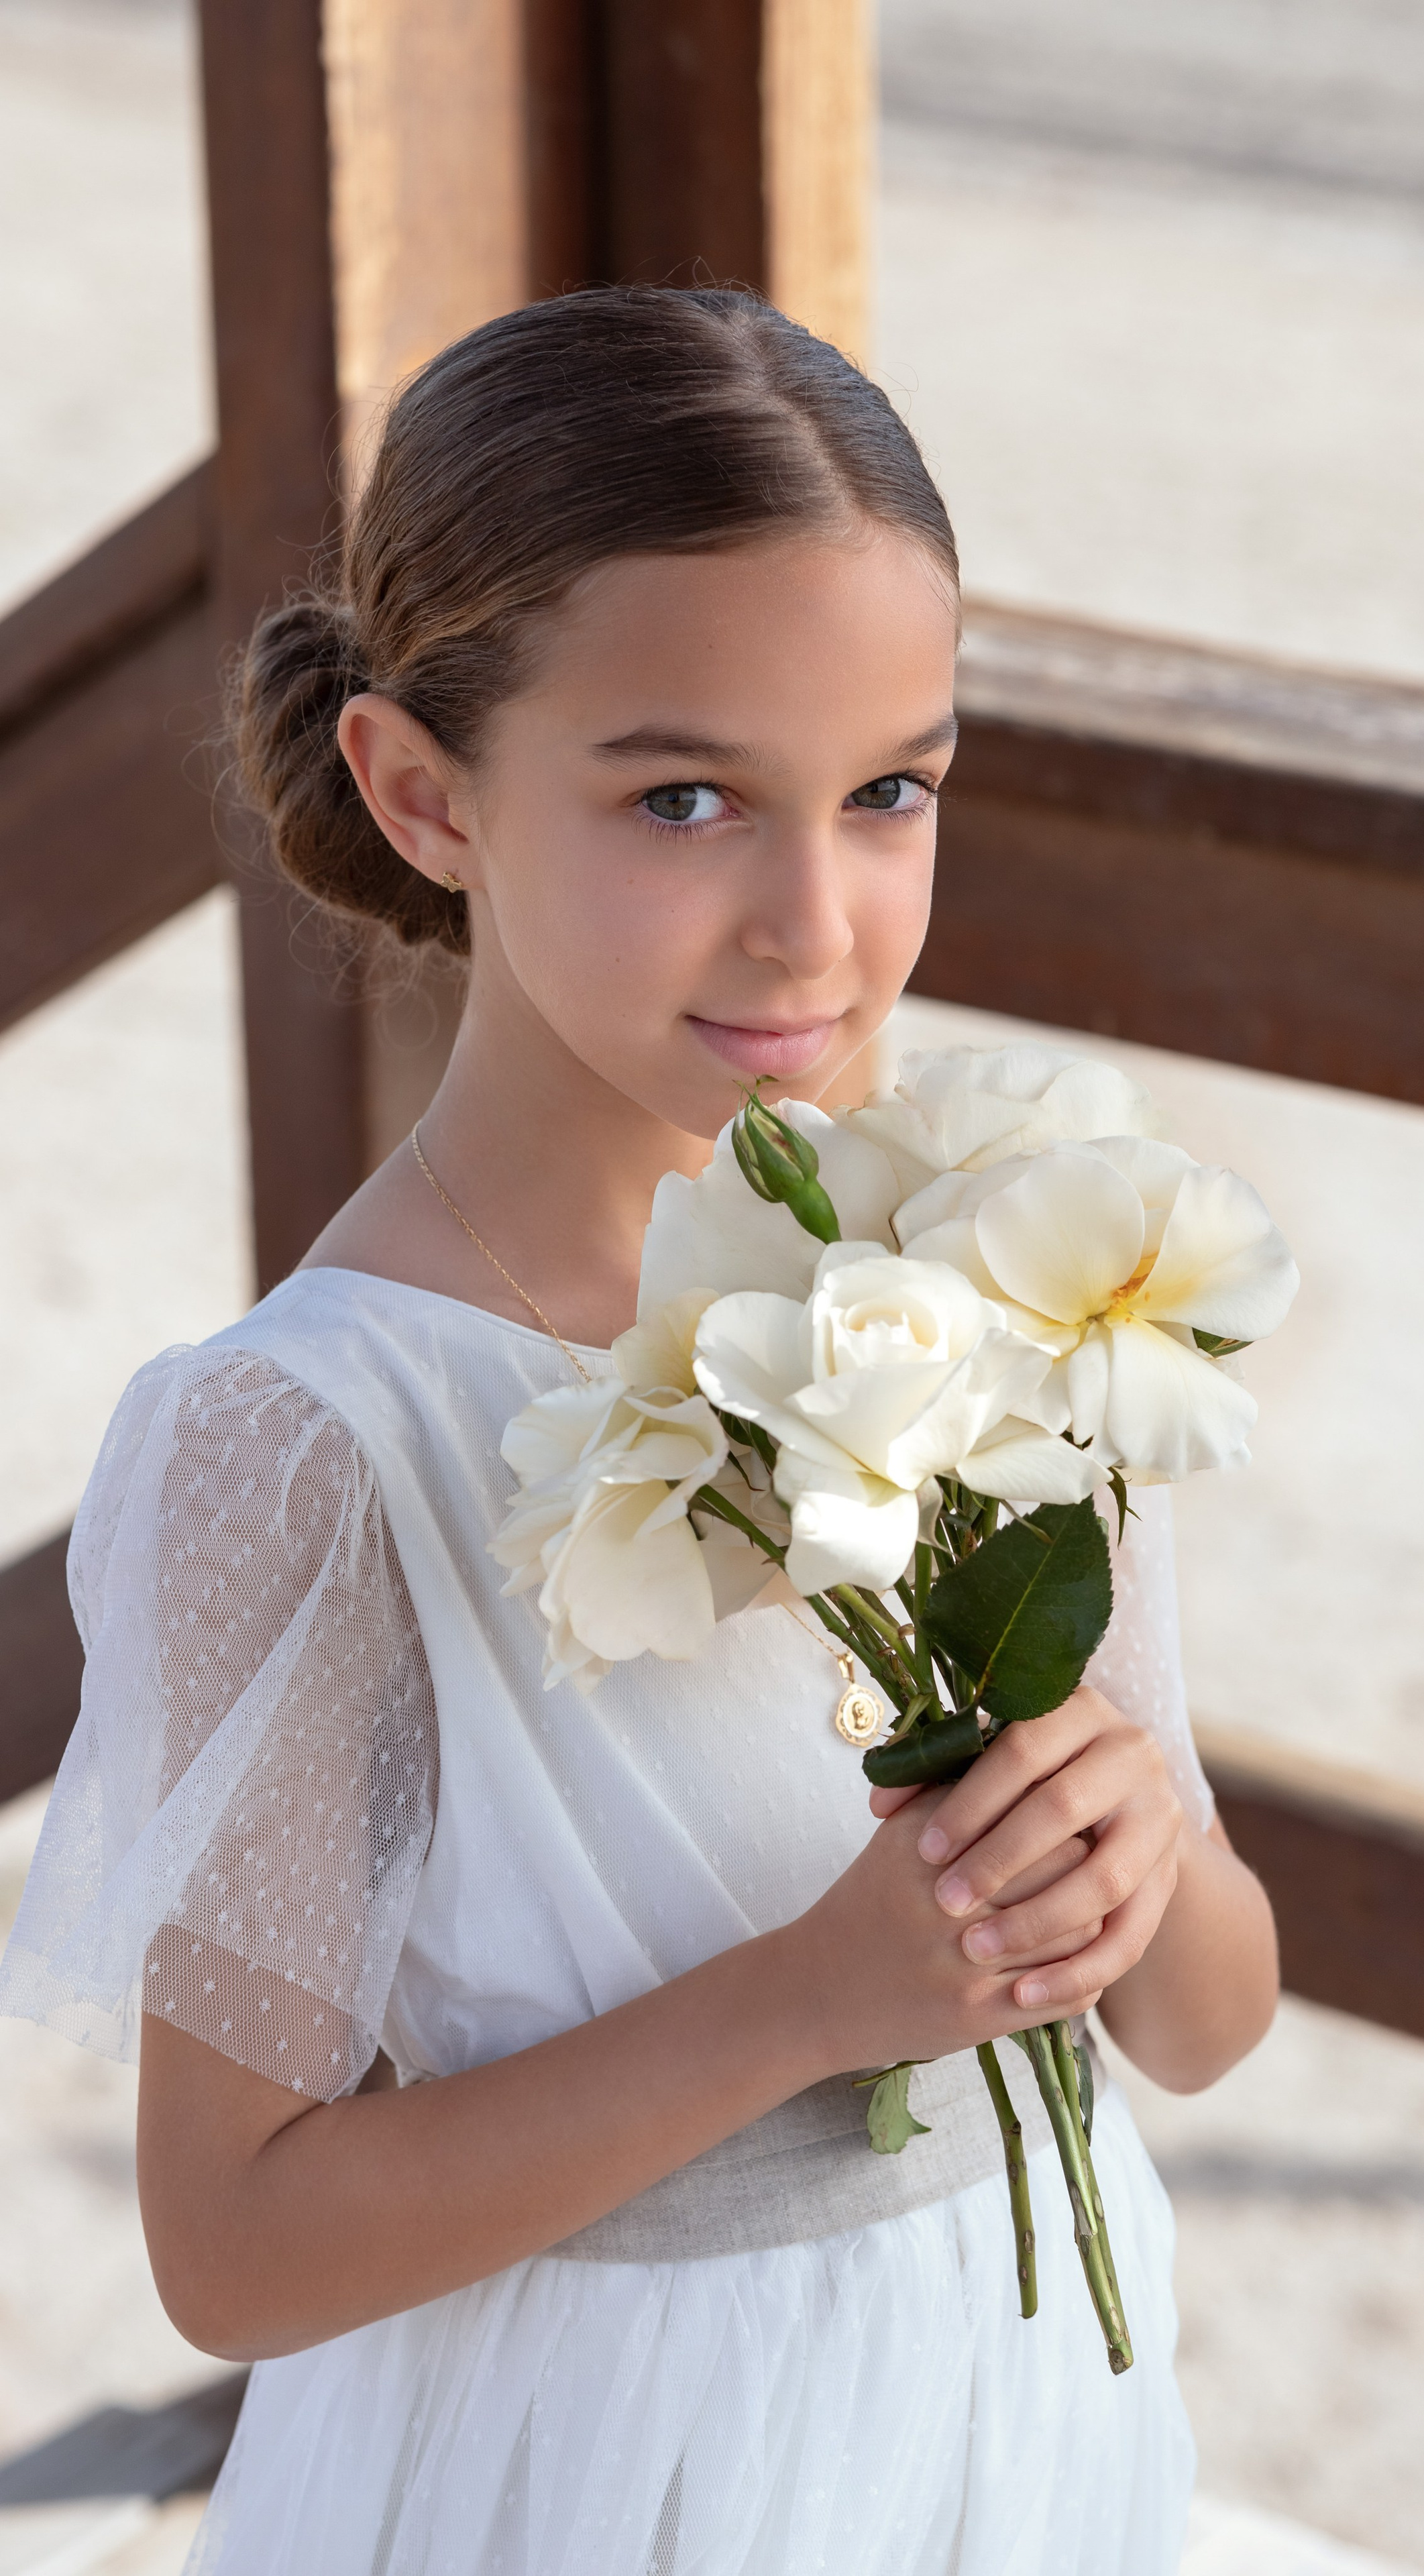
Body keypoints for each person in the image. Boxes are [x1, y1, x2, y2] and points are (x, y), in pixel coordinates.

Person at [0, 287, 1278, 2575]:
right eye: (684, 797)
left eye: (892, 790)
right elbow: (238, 2242)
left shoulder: (994, 1276)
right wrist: (812, 2001)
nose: (819, 925)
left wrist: (1133, 1851)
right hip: (587, 2479)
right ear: (426, 793)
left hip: (1018, 2436)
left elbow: (1201, 2020)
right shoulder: (317, 1443)